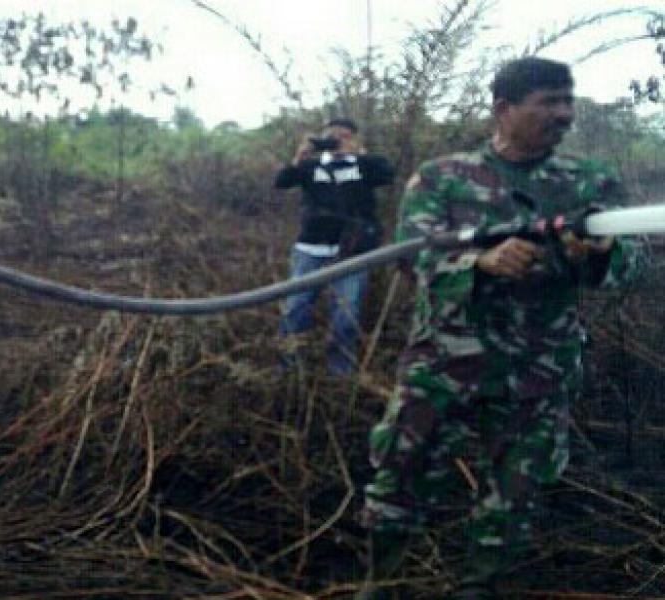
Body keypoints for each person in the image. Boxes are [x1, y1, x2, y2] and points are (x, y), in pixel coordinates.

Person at [355, 57, 643, 599]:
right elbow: (411, 259)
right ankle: (381, 583)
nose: (562, 114)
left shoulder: (589, 183)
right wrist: (476, 265)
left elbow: (633, 263)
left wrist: (601, 256)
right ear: (504, 108)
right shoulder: (442, 178)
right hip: (442, 367)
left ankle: (480, 588)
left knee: (514, 500)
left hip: (538, 374)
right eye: (547, 102)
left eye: (567, 101)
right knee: (401, 480)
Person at [275, 118, 394, 375]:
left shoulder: (363, 166)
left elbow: (387, 174)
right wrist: (300, 156)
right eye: (332, 136)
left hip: (352, 252)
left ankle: (340, 373)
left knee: (346, 316)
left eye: (345, 135)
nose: (338, 140)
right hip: (311, 249)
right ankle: (287, 371)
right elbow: (282, 181)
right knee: (295, 309)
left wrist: (357, 153)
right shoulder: (312, 165)